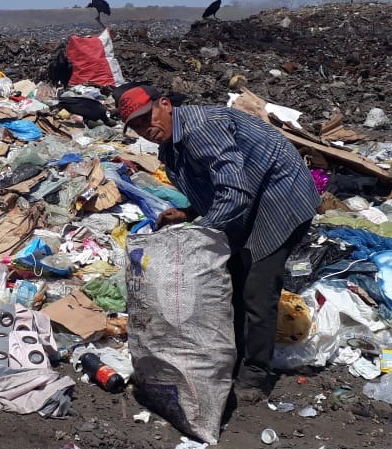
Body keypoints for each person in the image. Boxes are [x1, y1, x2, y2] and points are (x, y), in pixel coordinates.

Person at [114, 82, 320, 402]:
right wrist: (188, 213)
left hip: (280, 196)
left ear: (165, 104)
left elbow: (235, 192)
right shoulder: (171, 146)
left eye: (147, 117)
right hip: (251, 197)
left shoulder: (201, 129)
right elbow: (217, 185)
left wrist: (200, 232)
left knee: (257, 287)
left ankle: (255, 375)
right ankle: (233, 354)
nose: (145, 129)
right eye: (137, 126)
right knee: (232, 280)